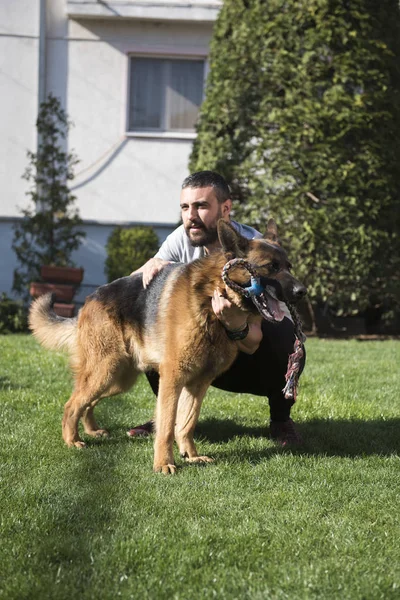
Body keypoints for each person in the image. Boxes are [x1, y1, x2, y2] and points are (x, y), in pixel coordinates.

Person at [127, 170, 305, 445]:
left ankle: (281, 421)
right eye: (185, 207)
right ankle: (166, 418)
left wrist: (234, 324)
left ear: (225, 209)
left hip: (248, 354)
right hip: (202, 346)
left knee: (286, 339)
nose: (191, 216)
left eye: (201, 206)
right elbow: (132, 286)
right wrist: (150, 264)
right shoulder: (182, 237)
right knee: (155, 323)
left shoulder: (258, 253)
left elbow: (254, 342)